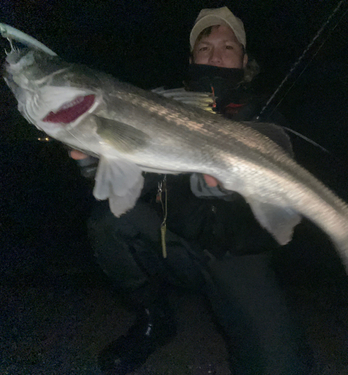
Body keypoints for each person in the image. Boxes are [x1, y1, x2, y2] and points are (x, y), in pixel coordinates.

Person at [71, 7, 314, 375]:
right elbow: (133, 180)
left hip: (237, 257)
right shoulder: (162, 107)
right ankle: (155, 318)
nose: (215, 55)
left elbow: (280, 209)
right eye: (205, 47)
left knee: (283, 367)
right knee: (111, 220)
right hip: (177, 243)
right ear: (191, 58)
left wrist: (231, 191)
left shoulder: (266, 119)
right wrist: (95, 161)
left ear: (244, 60)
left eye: (227, 47)